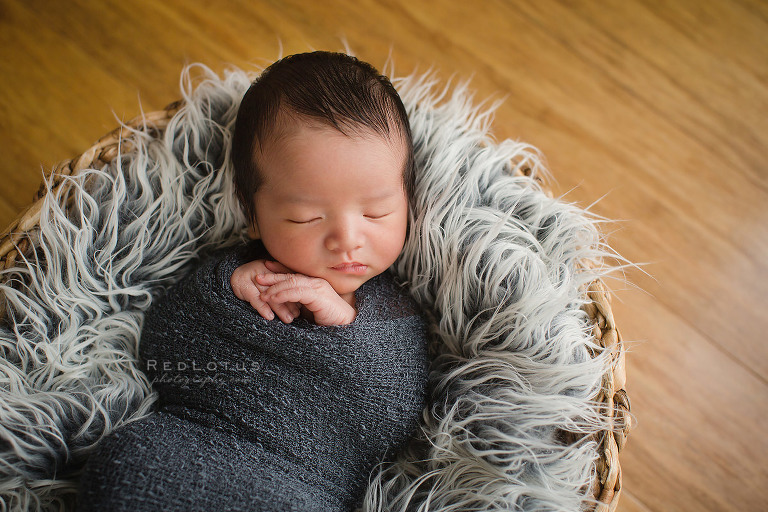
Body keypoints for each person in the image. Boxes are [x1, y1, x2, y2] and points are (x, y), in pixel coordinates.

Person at [76, 51, 429, 512]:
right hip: (184, 445)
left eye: (376, 211)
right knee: (122, 459)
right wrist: (221, 295)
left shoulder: (392, 312)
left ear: (407, 197)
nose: (346, 239)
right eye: (307, 216)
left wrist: (345, 326)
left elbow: (395, 417)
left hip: (302, 486)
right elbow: (163, 356)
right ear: (254, 214)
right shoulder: (238, 277)